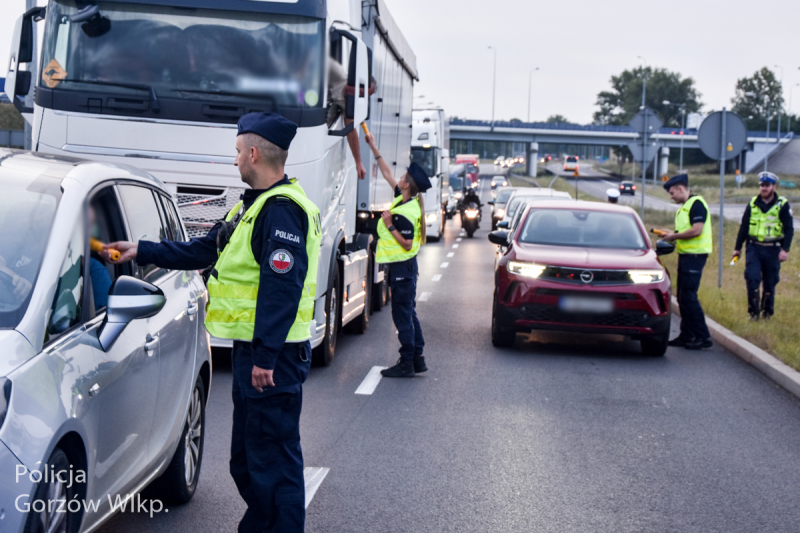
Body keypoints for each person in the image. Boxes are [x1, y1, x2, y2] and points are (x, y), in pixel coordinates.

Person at [106, 112, 321, 533]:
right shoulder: (255, 205)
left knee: (272, 467)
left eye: (238, 151)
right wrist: (141, 249)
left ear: (254, 153)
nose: (235, 159)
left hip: (271, 361)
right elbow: (205, 250)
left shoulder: (280, 212)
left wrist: (265, 356)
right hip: (257, 354)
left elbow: (283, 289)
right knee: (249, 462)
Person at [364, 131, 431, 377]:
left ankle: (406, 363)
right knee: (408, 312)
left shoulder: (404, 212)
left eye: (403, 176)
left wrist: (390, 224)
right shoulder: (404, 201)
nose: (399, 177)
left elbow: (405, 243)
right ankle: (417, 358)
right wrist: (374, 148)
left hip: (403, 268)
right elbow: (386, 173)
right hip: (404, 268)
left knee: (402, 315)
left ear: (406, 184)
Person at [660, 174, 713, 350]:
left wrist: (673, 236)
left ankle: (703, 336)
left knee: (689, 297)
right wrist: (671, 235)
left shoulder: (696, 204)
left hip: (695, 256)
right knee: (683, 297)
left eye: (672, 192)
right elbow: (686, 231)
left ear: (681, 188)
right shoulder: (685, 207)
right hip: (687, 255)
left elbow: (697, 230)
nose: (671, 196)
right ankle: (687, 335)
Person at [732, 171, 794, 320]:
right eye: (762, 185)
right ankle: (753, 313)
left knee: (770, 282)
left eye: (767, 185)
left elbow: (789, 229)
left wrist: (785, 250)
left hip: (773, 248)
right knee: (752, 278)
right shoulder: (753, 203)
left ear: (774, 186)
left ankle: (767, 313)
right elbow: (744, 227)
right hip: (754, 247)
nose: (763, 188)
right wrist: (737, 248)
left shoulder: (782, 205)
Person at [327, 58, 377, 180]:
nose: (360, 96)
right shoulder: (336, 72)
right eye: (361, 91)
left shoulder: (351, 102)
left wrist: (358, 162)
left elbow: (351, 130)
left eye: (364, 96)